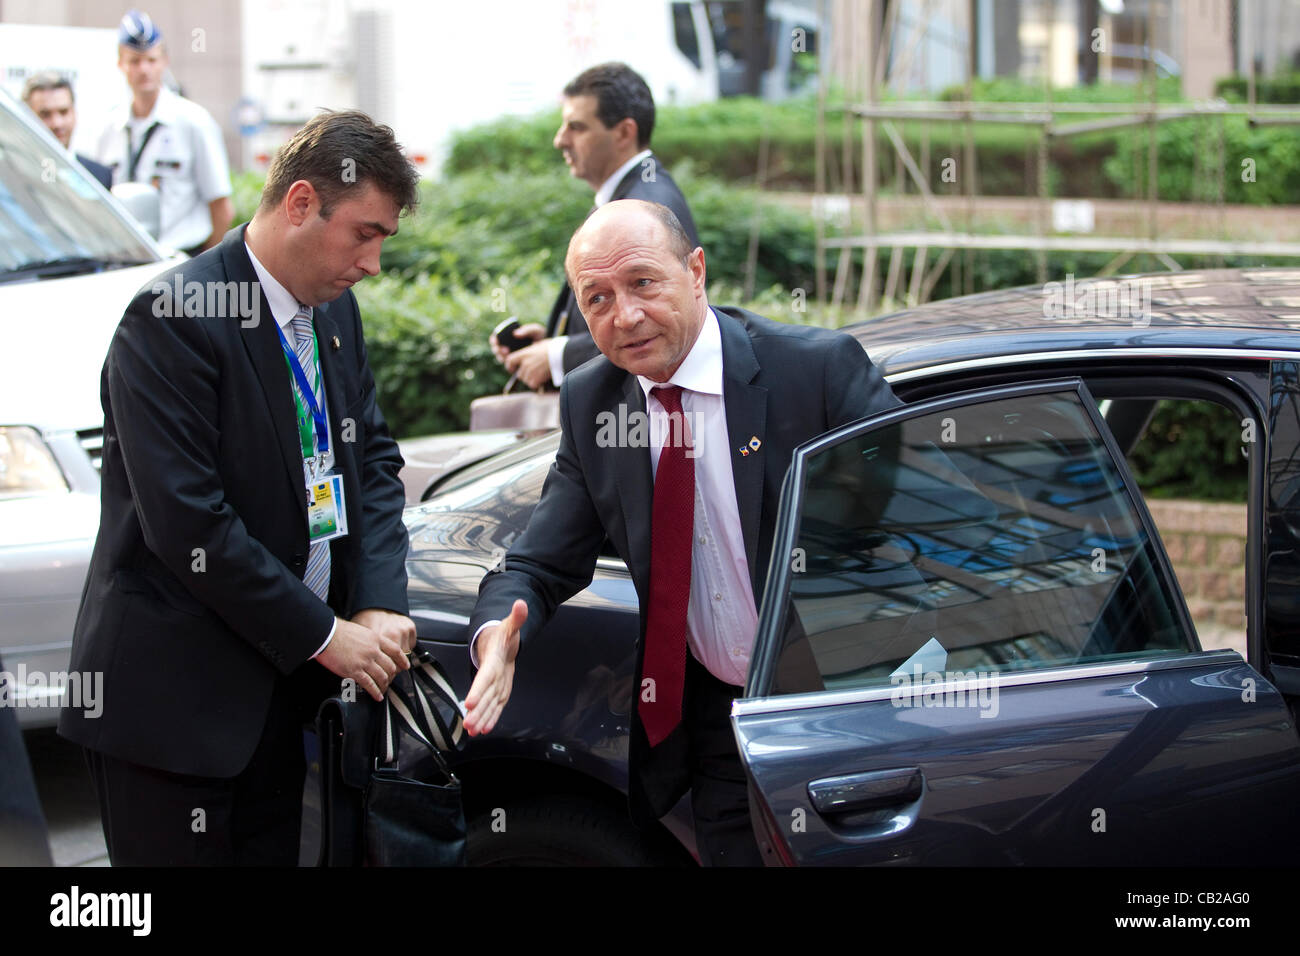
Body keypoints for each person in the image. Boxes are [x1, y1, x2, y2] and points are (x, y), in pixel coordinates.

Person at [464, 200, 900, 865]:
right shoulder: (596, 401)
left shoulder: (813, 374)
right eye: (598, 298)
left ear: (696, 272)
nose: (625, 315)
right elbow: (540, 560)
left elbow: (920, 519)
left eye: (643, 283)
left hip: (840, 717)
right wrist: (498, 631)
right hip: (718, 733)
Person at [58, 109, 420, 866]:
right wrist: (327, 637)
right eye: (364, 233)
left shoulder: (332, 312)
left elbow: (375, 463)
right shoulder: (175, 316)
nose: (373, 264)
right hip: (175, 712)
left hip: (279, 697)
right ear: (298, 204)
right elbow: (190, 525)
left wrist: (379, 600)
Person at [490, 62, 699, 390]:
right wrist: (554, 339)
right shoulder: (631, 194)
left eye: (577, 127)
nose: (560, 140)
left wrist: (559, 355)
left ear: (624, 133)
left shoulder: (645, 207)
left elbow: (669, 327)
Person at [93, 9, 233, 255]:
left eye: (151, 60)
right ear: (120, 64)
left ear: (165, 61)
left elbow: (221, 206)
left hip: (182, 255)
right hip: (128, 257)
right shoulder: (109, 126)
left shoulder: (193, 121)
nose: (144, 69)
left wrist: (204, 265)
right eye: (134, 61)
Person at [20, 72, 114, 191]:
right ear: (27, 116)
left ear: (74, 113)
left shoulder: (99, 175)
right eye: (45, 115)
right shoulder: (11, 170)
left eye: (63, 112)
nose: (57, 123)